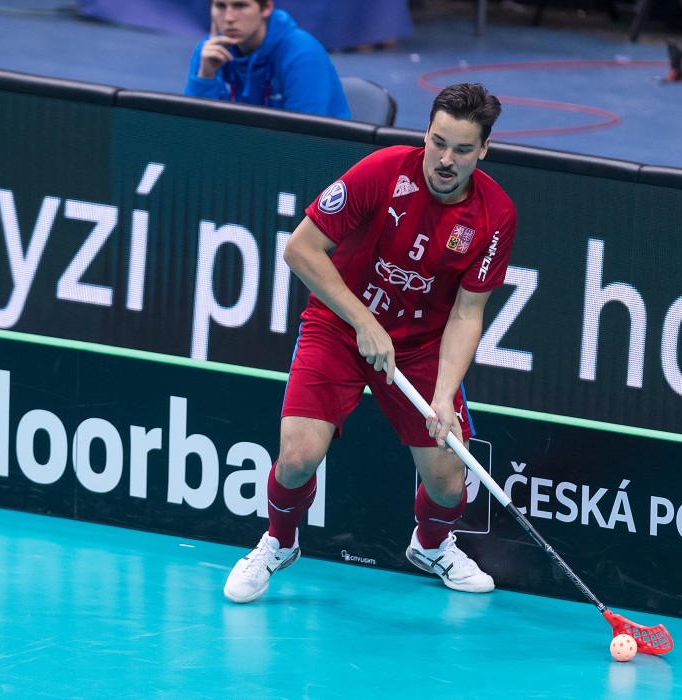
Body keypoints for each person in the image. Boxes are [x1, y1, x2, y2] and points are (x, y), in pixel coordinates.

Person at [223, 83, 517, 604]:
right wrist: (363, 321)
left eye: (462, 149)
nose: (445, 160)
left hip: (421, 346)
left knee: (449, 483)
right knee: (297, 456)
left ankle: (432, 546)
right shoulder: (382, 171)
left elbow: (468, 313)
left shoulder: (495, 216)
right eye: (438, 142)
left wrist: (444, 395)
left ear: (484, 150)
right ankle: (279, 543)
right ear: (426, 133)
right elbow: (301, 250)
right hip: (339, 327)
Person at [184, 0, 351, 119]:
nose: (228, 17)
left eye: (240, 5)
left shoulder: (303, 55)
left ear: (266, 8)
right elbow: (191, 131)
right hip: (243, 150)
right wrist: (206, 76)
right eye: (220, 6)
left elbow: (306, 137)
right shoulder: (209, 52)